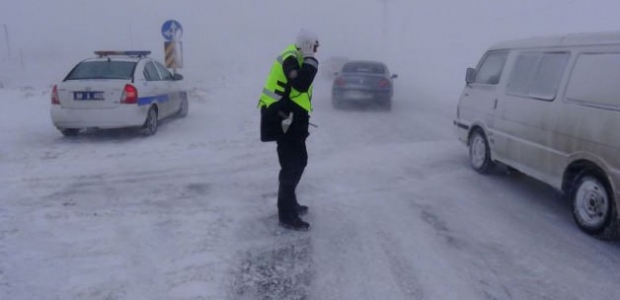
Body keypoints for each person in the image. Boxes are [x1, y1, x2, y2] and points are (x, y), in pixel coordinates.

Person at [257, 29, 320, 230]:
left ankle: (290, 203)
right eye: (314, 47)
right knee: (291, 165)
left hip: (290, 118)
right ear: (307, 45)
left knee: (299, 162)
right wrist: (310, 60)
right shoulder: (290, 58)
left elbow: (297, 90)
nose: (316, 51)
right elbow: (300, 83)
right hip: (281, 119)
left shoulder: (297, 57)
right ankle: (286, 215)